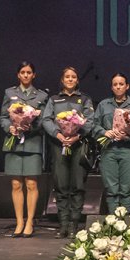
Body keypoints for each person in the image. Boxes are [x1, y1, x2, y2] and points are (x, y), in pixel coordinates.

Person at [40, 67, 94, 238]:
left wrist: (77, 135)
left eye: (73, 77)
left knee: (77, 185)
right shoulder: (54, 99)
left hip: (78, 145)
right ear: (62, 80)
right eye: (67, 77)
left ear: (77, 80)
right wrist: (59, 134)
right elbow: (46, 119)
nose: (70, 79)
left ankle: (74, 225)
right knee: (61, 185)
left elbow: (90, 121)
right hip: (59, 145)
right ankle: (63, 224)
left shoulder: (84, 99)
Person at [0, 62, 48, 238]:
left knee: (31, 183)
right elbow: (3, 117)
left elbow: (43, 120)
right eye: (23, 72)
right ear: (18, 75)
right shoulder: (9, 93)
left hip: (32, 142)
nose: (26, 75)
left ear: (34, 75)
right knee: (16, 184)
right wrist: (9, 128)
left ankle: (30, 221)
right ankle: (19, 221)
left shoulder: (41, 95)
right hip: (13, 142)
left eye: (29, 72)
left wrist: (30, 127)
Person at [90, 73, 130, 213]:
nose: (118, 87)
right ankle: (113, 223)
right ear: (111, 87)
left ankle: (124, 223)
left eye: (121, 84)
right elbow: (93, 125)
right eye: (115, 84)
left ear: (127, 86)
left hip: (128, 149)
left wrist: (127, 135)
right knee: (111, 189)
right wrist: (104, 132)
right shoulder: (104, 104)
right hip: (109, 150)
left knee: (126, 189)